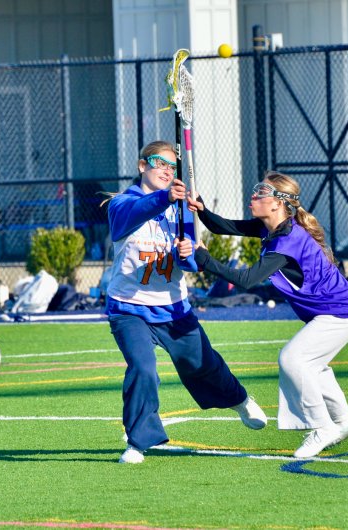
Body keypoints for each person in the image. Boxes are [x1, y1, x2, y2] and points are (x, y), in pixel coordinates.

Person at [105, 140, 267, 464]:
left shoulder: (180, 209)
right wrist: (165, 197)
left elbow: (191, 259)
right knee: (142, 367)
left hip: (174, 308)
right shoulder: (122, 204)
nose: (166, 170)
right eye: (159, 163)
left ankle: (239, 399)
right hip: (129, 308)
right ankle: (137, 443)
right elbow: (131, 215)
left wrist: (188, 255)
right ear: (142, 166)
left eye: (171, 166)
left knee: (203, 364)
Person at [187, 171, 348, 459]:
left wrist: (206, 260)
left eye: (261, 192)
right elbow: (227, 227)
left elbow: (245, 280)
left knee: (293, 359)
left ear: (278, 203)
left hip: (339, 314)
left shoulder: (286, 242)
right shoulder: (272, 228)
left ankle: (322, 427)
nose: (254, 196)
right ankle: (344, 421)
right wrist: (203, 210)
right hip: (338, 312)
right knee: (314, 366)